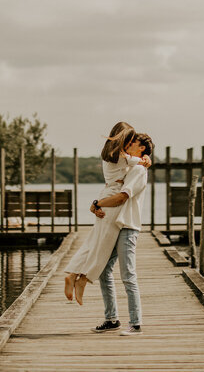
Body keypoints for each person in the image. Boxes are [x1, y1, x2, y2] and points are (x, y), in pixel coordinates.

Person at [63, 123, 151, 304]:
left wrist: (145, 157)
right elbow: (137, 162)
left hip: (105, 195)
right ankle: (83, 280)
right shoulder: (122, 157)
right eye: (128, 140)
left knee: (93, 242)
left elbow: (135, 161)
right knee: (102, 248)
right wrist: (146, 159)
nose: (128, 144)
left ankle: (73, 274)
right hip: (113, 200)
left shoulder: (109, 155)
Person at [89, 132, 153, 336]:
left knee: (128, 275)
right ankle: (111, 319)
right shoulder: (130, 166)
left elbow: (121, 197)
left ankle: (135, 323)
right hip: (117, 223)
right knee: (104, 270)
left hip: (127, 226)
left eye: (133, 142)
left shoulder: (138, 171)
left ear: (142, 148)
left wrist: (96, 204)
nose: (128, 145)